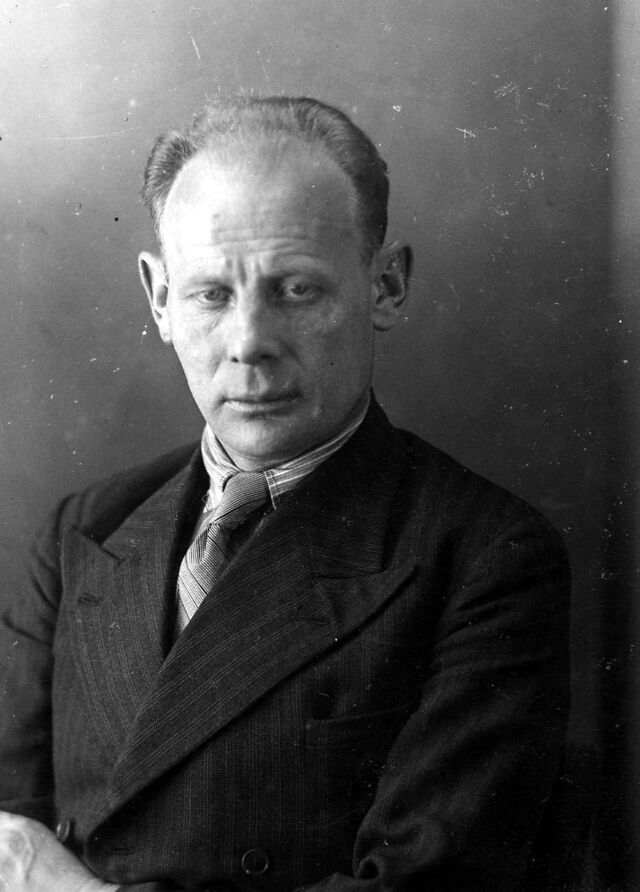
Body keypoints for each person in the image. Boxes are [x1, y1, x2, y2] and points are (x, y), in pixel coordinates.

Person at [0, 95, 570, 892]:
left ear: (386, 286)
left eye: (297, 290)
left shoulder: (486, 557)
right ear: (159, 298)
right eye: (211, 294)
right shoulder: (83, 533)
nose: (249, 344)